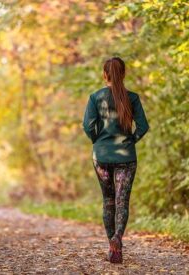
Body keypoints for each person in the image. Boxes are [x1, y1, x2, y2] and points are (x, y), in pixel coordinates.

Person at [83, 57, 149, 264]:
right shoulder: (132, 98)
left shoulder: (95, 97)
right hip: (126, 156)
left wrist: (98, 141)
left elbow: (87, 126)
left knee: (108, 200)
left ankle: (112, 247)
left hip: (101, 156)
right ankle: (117, 238)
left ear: (105, 74)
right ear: (124, 74)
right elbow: (143, 127)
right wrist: (131, 141)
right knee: (122, 202)